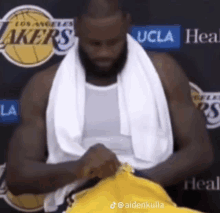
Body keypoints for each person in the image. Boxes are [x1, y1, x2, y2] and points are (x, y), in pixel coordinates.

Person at [5, 0, 214, 212]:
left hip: (147, 198)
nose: (104, 53)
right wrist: (80, 168)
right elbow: (18, 177)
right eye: (94, 44)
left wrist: (134, 182)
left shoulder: (163, 71)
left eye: (113, 43)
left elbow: (200, 151)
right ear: (77, 28)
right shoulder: (44, 85)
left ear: (127, 24)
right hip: (84, 199)